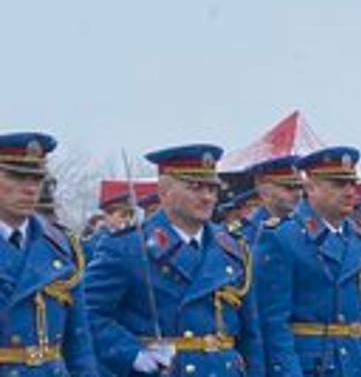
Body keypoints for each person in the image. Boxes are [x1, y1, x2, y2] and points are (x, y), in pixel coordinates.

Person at [86, 143, 265, 377]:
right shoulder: (128, 247)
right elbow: (89, 313)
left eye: (212, 189)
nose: (207, 197)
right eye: (195, 188)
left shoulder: (232, 247)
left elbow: (250, 332)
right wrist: (131, 354)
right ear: (164, 191)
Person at [255, 146, 361, 377]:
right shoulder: (283, 238)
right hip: (316, 366)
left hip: (360, 363)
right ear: (310, 187)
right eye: (338, 184)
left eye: (352, 184)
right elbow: (274, 324)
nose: (349, 192)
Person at [0, 132, 97, 377]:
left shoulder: (61, 244)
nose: (30, 188)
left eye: (36, 178)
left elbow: (78, 342)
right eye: (17, 177)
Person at [245, 155, 305, 245]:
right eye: (290, 187)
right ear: (264, 191)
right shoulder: (246, 233)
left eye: (300, 187)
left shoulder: (308, 226)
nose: (298, 194)